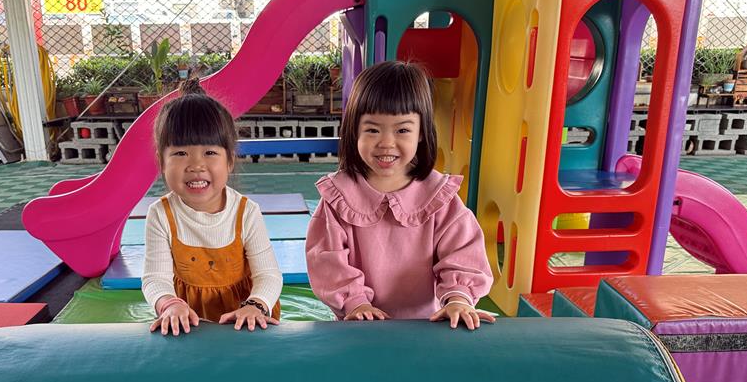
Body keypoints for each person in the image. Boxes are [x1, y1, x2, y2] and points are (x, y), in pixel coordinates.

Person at [305, 61, 494, 329]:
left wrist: (458, 297)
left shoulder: (438, 196)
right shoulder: (339, 197)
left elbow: (463, 252)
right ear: (354, 131)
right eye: (372, 130)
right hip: (359, 325)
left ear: (421, 133)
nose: (386, 143)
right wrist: (356, 302)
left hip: (426, 327)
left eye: (402, 130)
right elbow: (327, 260)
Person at [142, 79, 282, 336]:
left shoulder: (246, 212)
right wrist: (169, 304)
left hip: (246, 324)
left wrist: (256, 305)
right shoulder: (160, 214)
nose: (196, 165)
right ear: (161, 162)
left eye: (209, 153)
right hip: (190, 325)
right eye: (180, 153)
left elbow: (269, 275)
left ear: (229, 160)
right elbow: (155, 278)